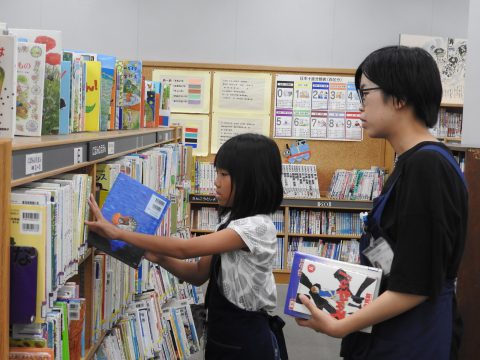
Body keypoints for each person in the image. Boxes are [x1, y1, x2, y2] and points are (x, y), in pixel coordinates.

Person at [295, 46, 468, 359]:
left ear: (399, 97)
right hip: (392, 329)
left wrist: (340, 326)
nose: (359, 106)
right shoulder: (412, 162)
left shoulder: (427, 167)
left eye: (365, 93)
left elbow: (416, 282)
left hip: (412, 337)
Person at [86, 133, 288, 360]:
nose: (216, 182)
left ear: (251, 180)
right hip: (223, 337)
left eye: (224, 174)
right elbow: (198, 274)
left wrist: (119, 232)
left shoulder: (256, 228)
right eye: (217, 173)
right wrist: (159, 258)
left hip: (247, 340)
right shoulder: (231, 222)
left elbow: (185, 248)